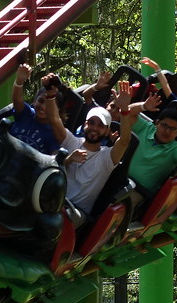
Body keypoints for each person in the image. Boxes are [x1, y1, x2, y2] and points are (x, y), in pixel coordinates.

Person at [48, 82, 134, 222]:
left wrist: (124, 110)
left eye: (100, 125)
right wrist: (50, 95)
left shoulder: (107, 157)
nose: (94, 128)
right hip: (52, 200)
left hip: (75, 212)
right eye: (91, 123)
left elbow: (124, 141)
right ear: (85, 124)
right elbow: (54, 119)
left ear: (107, 131)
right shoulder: (71, 142)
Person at [124, 96, 177, 200]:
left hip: (137, 192)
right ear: (157, 123)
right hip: (118, 177)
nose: (167, 131)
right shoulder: (146, 128)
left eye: (173, 129)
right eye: (164, 125)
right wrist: (143, 106)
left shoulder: (175, 148)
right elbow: (126, 113)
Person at [8, 64, 62, 154]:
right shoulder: (26, 113)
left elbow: (55, 156)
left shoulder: (53, 133)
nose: (43, 107)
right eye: (40, 101)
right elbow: (17, 99)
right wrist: (19, 81)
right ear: (34, 101)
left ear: (56, 109)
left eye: (48, 105)